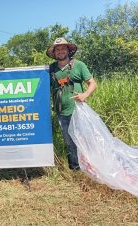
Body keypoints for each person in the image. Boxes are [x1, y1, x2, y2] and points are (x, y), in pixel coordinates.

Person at [46, 37, 97, 170]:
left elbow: (92, 83)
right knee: (69, 141)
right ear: (54, 53)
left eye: (63, 48)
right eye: (57, 49)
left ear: (68, 50)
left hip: (78, 110)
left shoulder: (79, 65)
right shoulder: (50, 69)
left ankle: (91, 166)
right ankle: (75, 169)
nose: (60, 51)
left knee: (85, 139)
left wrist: (85, 94)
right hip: (61, 112)